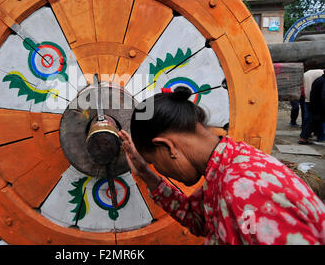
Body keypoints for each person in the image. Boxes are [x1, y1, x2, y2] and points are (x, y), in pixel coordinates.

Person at [118, 86, 325, 245]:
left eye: (154, 162)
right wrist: (145, 172)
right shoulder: (228, 164)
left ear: (167, 146)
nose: (160, 170)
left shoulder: (248, 190)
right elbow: (199, 219)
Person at [299, 69, 325, 144]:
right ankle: (304, 138)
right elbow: (323, 96)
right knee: (313, 121)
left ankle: (318, 137)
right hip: (318, 106)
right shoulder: (322, 80)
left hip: (311, 102)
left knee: (313, 120)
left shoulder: (318, 79)